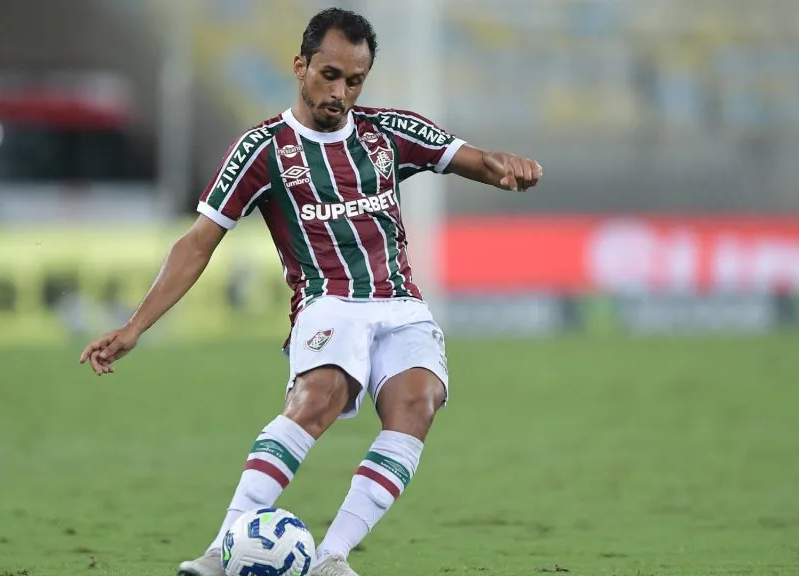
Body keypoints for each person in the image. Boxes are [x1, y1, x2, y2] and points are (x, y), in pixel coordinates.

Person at [79, 8, 542, 576]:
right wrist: (134, 327)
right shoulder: (262, 149)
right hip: (328, 302)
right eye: (329, 75)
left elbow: (472, 159)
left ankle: (332, 557)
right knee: (320, 394)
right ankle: (222, 550)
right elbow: (198, 243)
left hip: (399, 304)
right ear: (300, 66)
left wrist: (506, 166)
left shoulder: (389, 132)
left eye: (354, 81)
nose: (340, 92)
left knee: (419, 403)